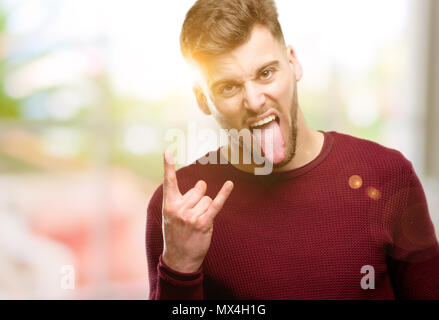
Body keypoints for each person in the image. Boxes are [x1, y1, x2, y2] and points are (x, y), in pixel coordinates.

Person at [146, 0, 439, 299]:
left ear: (293, 63)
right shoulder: (178, 209)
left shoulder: (388, 174)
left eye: (265, 73)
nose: (255, 100)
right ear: (202, 100)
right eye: (228, 87)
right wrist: (179, 265)